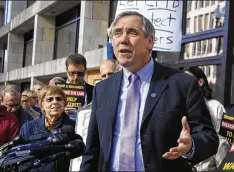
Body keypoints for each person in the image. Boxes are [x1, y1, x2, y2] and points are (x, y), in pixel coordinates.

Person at [80, 11, 219, 172]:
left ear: (150, 41)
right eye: (117, 33)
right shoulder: (103, 88)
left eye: (132, 32)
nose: (123, 39)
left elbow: (208, 137)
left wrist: (190, 146)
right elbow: (92, 149)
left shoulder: (182, 83)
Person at [184, 66, 230, 171]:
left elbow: (230, 135)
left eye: (189, 80)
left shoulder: (217, 106)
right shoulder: (179, 107)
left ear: (201, 82)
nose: (186, 85)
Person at [20, 85, 75, 171]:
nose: (55, 102)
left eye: (59, 99)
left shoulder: (74, 127)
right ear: (41, 105)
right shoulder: (28, 127)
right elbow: (21, 158)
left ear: (65, 103)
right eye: (49, 99)